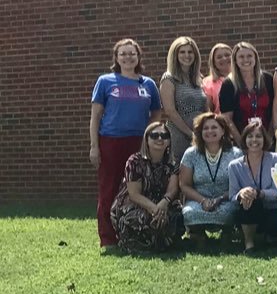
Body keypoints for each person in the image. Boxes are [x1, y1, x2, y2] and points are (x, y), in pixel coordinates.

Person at [91, 38, 164, 249]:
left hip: (139, 143)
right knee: (109, 188)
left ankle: (132, 231)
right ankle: (108, 238)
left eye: (132, 53)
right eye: (123, 54)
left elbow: (156, 113)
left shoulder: (148, 84)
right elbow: (95, 116)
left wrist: (148, 136)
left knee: (137, 188)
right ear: (116, 58)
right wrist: (94, 146)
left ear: (138, 57)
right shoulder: (105, 81)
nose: (127, 57)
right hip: (111, 141)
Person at [109, 121, 183, 253]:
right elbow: (134, 194)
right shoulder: (134, 161)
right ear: (146, 139)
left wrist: (163, 203)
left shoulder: (173, 163)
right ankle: (135, 244)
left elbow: (172, 190)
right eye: (154, 135)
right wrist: (155, 209)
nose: (160, 139)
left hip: (162, 203)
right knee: (144, 219)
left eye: (164, 136)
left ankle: (162, 243)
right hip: (135, 203)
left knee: (180, 215)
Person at [180, 113, 243, 249]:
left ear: (223, 131)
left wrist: (219, 199)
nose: (209, 131)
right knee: (190, 213)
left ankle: (227, 234)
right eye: (205, 128)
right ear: (200, 132)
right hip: (198, 200)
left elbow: (238, 186)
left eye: (214, 127)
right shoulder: (191, 154)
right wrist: (202, 200)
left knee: (229, 212)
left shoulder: (235, 154)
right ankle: (198, 235)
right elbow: (184, 185)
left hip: (226, 199)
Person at [229, 118, 277, 252]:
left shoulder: (276, 159)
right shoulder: (234, 166)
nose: (254, 140)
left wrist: (259, 193)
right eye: (250, 136)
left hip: (271, 208)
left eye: (258, 136)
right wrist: (242, 194)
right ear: (244, 139)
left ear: (264, 139)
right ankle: (249, 243)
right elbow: (232, 196)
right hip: (247, 208)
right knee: (248, 201)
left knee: (275, 225)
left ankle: (270, 237)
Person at [160, 36, 207, 162]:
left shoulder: (198, 79)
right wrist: (190, 134)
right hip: (179, 135)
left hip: (200, 134)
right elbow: (170, 111)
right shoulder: (169, 79)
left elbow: (205, 109)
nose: (187, 55)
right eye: (182, 52)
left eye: (190, 52)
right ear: (175, 55)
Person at [218, 42, 276, 138]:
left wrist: (269, 137)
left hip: (267, 137)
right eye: (241, 57)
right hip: (241, 138)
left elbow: (275, 111)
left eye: (249, 56)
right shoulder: (229, 84)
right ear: (235, 60)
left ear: (255, 58)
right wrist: (241, 142)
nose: (246, 59)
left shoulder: (267, 79)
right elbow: (227, 119)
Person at [203, 42, 233, 113]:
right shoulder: (208, 82)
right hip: (220, 122)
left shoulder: (243, 77)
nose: (224, 58)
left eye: (227, 55)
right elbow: (209, 110)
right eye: (219, 57)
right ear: (214, 62)